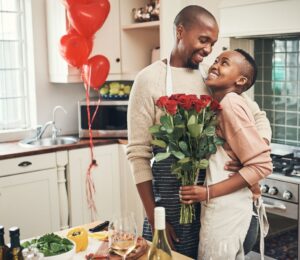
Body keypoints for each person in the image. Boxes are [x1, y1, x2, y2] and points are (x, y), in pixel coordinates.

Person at [126, 5, 272, 259]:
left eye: (212, 44)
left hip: (212, 204)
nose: (208, 50)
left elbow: (258, 116)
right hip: (170, 206)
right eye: (203, 40)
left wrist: (250, 153)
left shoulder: (212, 78)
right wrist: (155, 217)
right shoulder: (148, 80)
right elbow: (138, 155)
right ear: (181, 31)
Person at [180, 49, 272, 259]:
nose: (215, 65)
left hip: (228, 214)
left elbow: (262, 165)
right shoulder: (224, 103)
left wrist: (207, 192)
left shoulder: (230, 103)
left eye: (224, 63)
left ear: (241, 80)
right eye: (216, 60)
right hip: (230, 211)